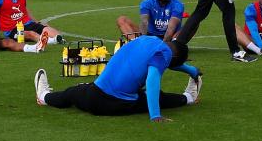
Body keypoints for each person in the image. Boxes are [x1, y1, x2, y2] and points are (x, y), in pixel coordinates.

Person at [33, 35, 201, 122]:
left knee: (71, 93)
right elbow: (152, 82)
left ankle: (44, 97)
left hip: (94, 94)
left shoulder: (150, 41)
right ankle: (189, 98)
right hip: (115, 104)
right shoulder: (163, 56)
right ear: (173, 58)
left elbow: (167, 62)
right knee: (158, 96)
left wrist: (192, 71)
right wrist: (155, 115)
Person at [116, 0, 186, 39]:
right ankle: (137, 44)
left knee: (191, 24)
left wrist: (162, 45)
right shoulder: (147, 3)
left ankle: (168, 46)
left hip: (170, 37)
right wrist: (143, 40)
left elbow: (171, 28)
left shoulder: (177, 4)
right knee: (122, 20)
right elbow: (144, 22)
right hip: (150, 35)